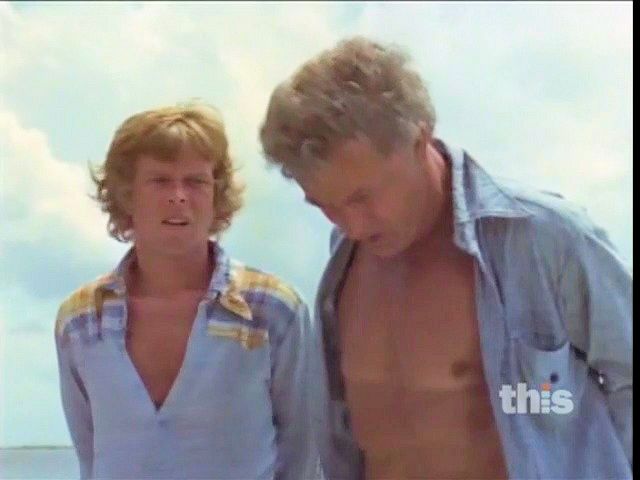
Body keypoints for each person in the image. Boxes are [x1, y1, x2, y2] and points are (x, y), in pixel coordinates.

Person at [259, 37, 632, 479]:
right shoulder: (343, 268)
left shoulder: (544, 239)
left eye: (363, 197)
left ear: (420, 139)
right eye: (326, 206)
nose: (352, 226)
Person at [54, 103, 318, 479]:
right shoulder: (82, 320)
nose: (179, 196)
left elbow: (303, 455)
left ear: (216, 195)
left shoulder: (272, 310)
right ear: (127, 195)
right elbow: (91, 458)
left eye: (195, 182)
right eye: (160, 180)